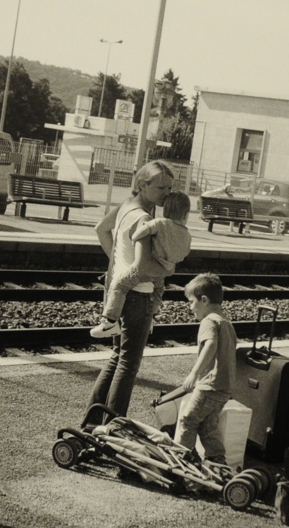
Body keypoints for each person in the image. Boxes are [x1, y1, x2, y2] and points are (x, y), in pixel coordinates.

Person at [83, 159, 175, 427]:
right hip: (139, 296)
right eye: (161, 188)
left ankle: (92, 423)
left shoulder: (126, 206)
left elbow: (101, 230)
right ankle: (114, 427)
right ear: (143, 185)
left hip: (120, 292)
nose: (167, 194)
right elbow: (145, 265)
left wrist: (119, 263)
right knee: (128, 365)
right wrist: (165, 268)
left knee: (117, 358)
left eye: (170, 188)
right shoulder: (145, 219)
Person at [90, 191, 192, 338]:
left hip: (146, 268)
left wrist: (135, 238)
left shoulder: (160, 223)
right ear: (186, 214)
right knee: (158, 292)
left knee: (119, 285)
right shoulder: (186, 233)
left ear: (166, 210)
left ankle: (110, 321)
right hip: (164, 269)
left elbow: (141, 232)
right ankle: (150, 318)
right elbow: (185, 252)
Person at [176, 273, 237, 465]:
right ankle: (217, 462)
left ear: (204, 300)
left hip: (209, 385)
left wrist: (194, 373)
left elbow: (210, 345)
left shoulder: (209, 321)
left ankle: (180, 460)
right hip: (223, 388)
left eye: (192, 301)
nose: (190, 307)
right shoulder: (226, 322)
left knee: (188, 419)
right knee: (208, 427)